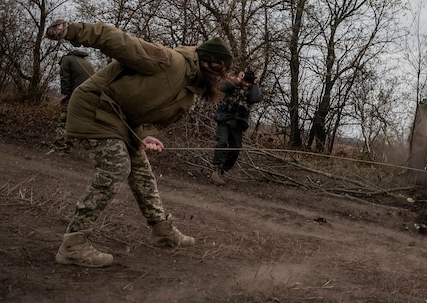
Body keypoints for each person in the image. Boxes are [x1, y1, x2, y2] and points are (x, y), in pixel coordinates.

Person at [43, 19, 233, 268]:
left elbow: (147, 115)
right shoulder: (169, 60)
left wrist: (145, 134)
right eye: (220, 71)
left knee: (141, 172)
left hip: (121, 119)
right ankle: (73, 244)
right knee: (117, 168)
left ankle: (161, 230)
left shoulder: (188, 93)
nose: (220, 79)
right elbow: (119, 41)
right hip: (94, 106)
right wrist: (73, 31)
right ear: (210, 63)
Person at [211, 69, 262, 185]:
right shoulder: (233, 85)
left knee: (235, 149)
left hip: (238, 125)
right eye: (245, 82)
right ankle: (216, 170)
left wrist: (256, 84)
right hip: (224, 120)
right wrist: (237, 80)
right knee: (222, 142)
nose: (246, 85)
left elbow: (256, 98)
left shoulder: (251, 91)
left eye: (249, 83)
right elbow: (221, 86)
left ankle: (222, 171)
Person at [50, 48, 95, 154]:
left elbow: (65, 78)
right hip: (89, 96)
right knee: (75, 121)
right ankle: (69, 147)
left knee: (64, 120)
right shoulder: (86, 62)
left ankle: (59, 148)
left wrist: (65, 94)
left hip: (76, 95)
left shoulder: (66, 60)